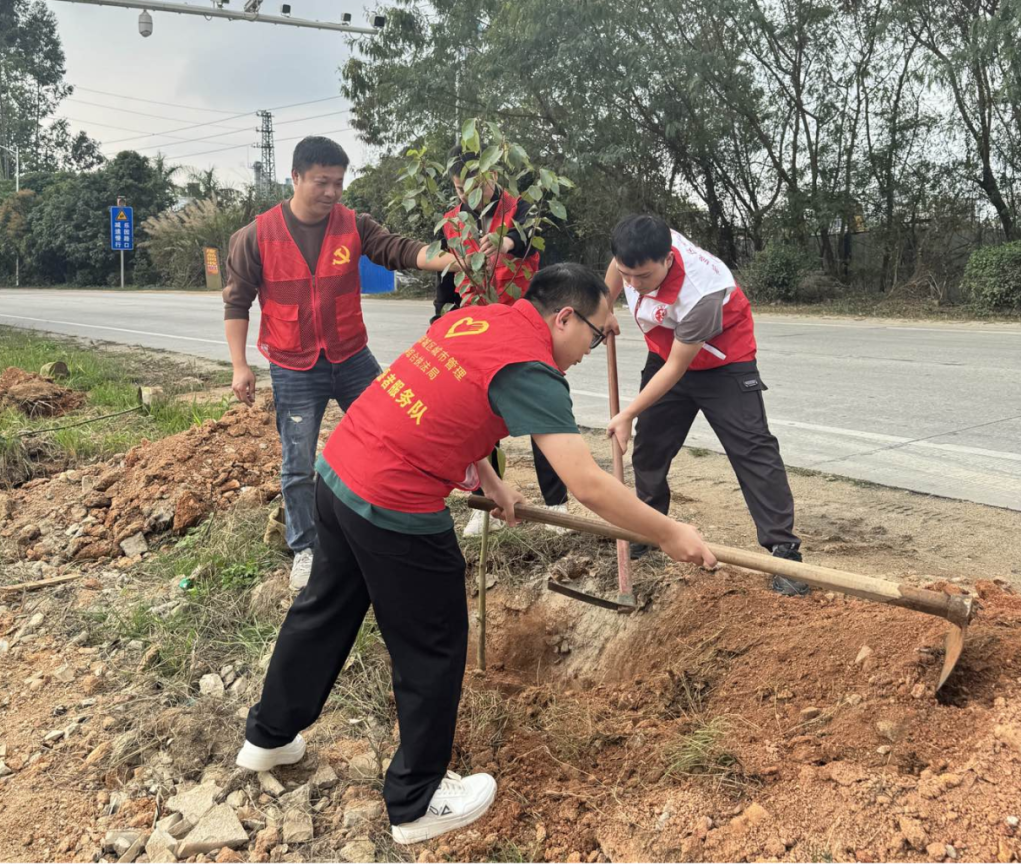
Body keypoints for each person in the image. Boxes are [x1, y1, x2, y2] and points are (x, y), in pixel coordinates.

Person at [234, 263, 717, 845]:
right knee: (432, 647)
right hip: (394, 504)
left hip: (339, 473)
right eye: (598, 332)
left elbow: (444, 402)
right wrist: (667, 532)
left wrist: (487, 478)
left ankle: (268, 737)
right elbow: (586, 483)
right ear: (564, 317)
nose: (595, 347)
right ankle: (416, 801)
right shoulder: (532, 369)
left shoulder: (478, 321)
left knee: (323, 610)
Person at [223, 136, 462, 589]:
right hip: (293, 365)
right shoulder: (256, 236)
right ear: (295, 177)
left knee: (394, 436)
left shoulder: (353, 225)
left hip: (352, 356)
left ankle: (394, 524)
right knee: (297, 463)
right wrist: (240, 365)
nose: (332, 192)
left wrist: (455, 259)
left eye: (338, 182)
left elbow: (400, 249)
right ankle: (305, 547)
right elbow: (237, 304)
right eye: (321, 182)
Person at [603, 214, 809, 596]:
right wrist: (604, 307)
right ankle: (649, 527)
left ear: (667, 259)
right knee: (650, 446)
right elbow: (617, 270)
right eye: (626, 275)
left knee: (752, 448)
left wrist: (627, 413)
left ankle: (784, 551)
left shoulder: (701, 291)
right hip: (666, 351)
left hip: (723, 361)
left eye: (643, 277)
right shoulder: (636, 256)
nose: (633, 285)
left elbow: (679, 367)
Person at [432, 143, 569, 537]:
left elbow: (529, 241)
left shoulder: (520, 210)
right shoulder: (454, 222)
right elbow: (446, 275)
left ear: (491, 173)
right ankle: (486, 502)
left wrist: (506, 243)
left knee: (542, 410)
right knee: (480, 418)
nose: (467, 195)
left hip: (522, 323)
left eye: (475, 183)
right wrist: (440, 318)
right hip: (476, 330)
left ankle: (556, 502)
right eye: (459, 188)